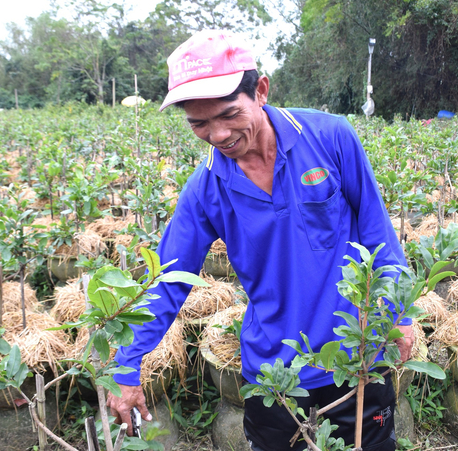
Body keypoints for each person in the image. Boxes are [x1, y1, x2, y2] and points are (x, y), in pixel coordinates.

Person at [106, 29, 414, 451]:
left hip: (356, 357)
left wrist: (398, 311)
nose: (217, 135)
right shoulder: (205, 189)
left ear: (261, 91)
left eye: (229, 114)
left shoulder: (330, 138)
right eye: (199, 122)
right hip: (273, 377)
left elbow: (378, 230)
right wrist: (126, 367)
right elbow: (168, 279)